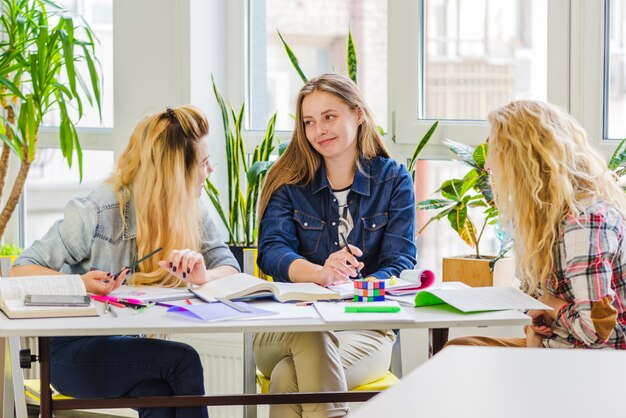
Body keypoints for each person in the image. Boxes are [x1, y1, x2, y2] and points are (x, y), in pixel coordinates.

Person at [10, 105, 240, 418]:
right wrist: (79, 283)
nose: (210, 170)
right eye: (204, 163)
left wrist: (204, 276)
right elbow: (20, 269)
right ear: (175, 173)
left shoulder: (191, 211)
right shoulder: (98, 212)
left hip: (123, 346)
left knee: (158, 397)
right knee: (183, 361)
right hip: (70, 352)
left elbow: (230, 269)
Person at [254, 73, 417, 418]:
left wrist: (352, 289)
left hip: (364, 325)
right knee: (310, 336)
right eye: (309, 122)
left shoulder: (393, 180)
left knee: (287, 377)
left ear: (358, 114)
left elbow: (400, 263)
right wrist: (321, 274)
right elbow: (272, 252)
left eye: (329, 117)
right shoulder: (288, 181)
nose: (319, 131)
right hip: (286, 325)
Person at [447, 100, 626, 349]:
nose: (487, 164)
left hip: (592, 361)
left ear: (524, 160)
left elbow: (596, 331)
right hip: (553, 346)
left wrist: (549, 304)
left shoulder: (584, 224)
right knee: (460, 349)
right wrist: (536, 325)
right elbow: (534, 297)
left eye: (495, 150)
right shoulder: (542, 217)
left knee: (460, 356)